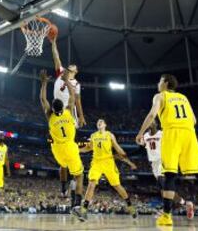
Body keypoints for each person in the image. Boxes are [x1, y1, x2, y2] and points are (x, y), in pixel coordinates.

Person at [135, 74, 198, 228]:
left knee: (169, 174)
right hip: (189, 134)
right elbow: (194, 120)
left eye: (160, 80)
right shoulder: (183, 97)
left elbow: (152, 114)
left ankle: (167, 216)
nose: (158, 83)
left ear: (166, 83)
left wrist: (140, 132)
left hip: (172, 133)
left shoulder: (160, 96)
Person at [39, 69, 85, 221]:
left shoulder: (49, 115)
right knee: (79, 175)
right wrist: (66, 80)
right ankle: (77, 205)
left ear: (52, 108)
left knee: (63, 166)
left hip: (57, 149)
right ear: (62, 107)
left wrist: (44, 83)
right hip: (71, 147)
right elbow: (72, 96)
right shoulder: (68, 111)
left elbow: (42, 99)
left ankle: (64, 187)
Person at [50, 36, 86, 204]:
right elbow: (56, 57)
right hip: (57, 113)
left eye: (74, 66)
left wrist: (82, 116)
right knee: (61, 150)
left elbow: (77, 101)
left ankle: (71, 184)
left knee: (69, 148)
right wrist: (53, 43)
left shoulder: (76, 83)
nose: (71, 65)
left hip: (69, 115)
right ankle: (65, 184)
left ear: (76, 71)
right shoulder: (60, 73)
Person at [80, 119, 138, 220]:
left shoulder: (109, 135)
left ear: (105, 125)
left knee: (117, 186)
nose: (99, 122)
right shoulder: (93, 136)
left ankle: (130, 206)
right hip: (96, 162)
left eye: (101, 122)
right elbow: (89, 147)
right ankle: (84, 210)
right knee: (91, 184)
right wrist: (78, 150)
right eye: (98, 122)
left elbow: (118, 149)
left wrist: (128, 161)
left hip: (109, 162)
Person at [143, 120, 195, 220]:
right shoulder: (145, 136)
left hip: (163, 161)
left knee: (164, 185)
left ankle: (166, 211)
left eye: (152, 121)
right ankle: (186, 203)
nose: (150, 123)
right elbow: (146, 147)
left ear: (156, 124)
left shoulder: (162, 133)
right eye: (149, 122)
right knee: (163, 191)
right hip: (154, 164)